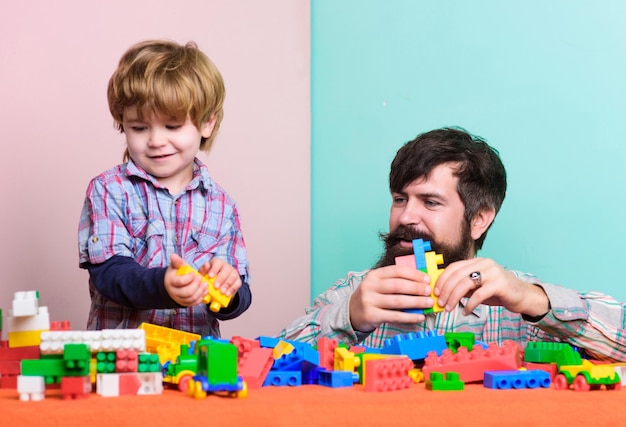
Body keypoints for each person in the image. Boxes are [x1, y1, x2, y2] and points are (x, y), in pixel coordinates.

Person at [279, 127, 626, 362]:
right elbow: (269, 363)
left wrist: (534, 299)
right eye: (400, 199)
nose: (405, 217)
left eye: (430, 202)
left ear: (479, 219)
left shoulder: (519, 306)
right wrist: (349, 317)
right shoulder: (354, 292)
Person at [78, 40, 251, 336]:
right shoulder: (109, 190)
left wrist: (228, 288)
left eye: (172, 126)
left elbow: (241, 298)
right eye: (139, 127)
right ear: (123, 124)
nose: (156, 140)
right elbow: (109, 274)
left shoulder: (222, 205)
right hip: (125, 359)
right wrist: (163, 286)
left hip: (194, 359)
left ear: (206, 124)